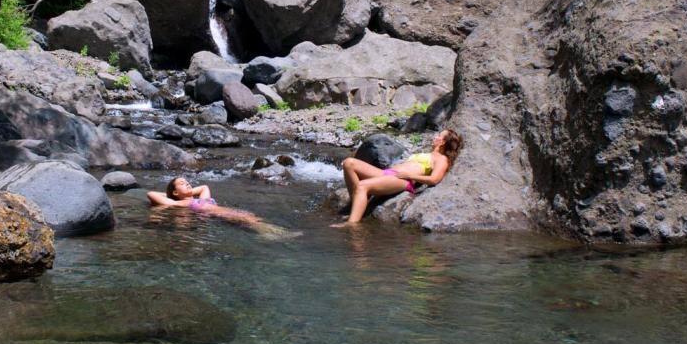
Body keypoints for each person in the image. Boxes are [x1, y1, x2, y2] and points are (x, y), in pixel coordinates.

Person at [333, 129, 463, 228]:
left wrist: (409, 176)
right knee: (349, 163)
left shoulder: (441, 159)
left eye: (439, 135)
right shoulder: (427, 153)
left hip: (403, 180)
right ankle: (358, 203)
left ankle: (352, 224)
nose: (436, 137)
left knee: (362, 186)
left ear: (443, 142)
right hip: (388, 173)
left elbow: (435, 179)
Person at [147, 176, 296, 238]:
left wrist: (187, 192)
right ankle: (275, 234)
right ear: (174, 192)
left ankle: (275, 233)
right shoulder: (181, 203)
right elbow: (151, 194)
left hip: (224, 211)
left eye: (187, 182)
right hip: (220, 215)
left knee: (253, 218)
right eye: (182, 183)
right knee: (248, 219)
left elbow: (204, 186)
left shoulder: (201, 198)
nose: (187, 183)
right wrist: (172, 196)